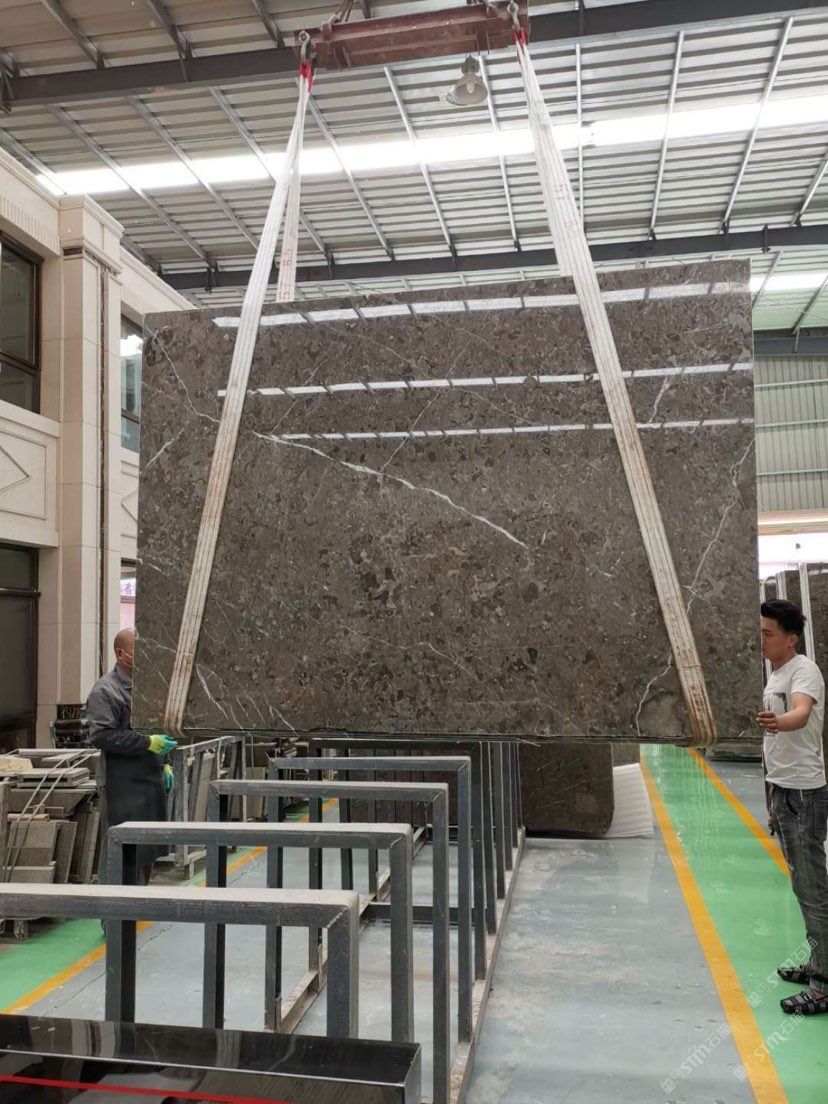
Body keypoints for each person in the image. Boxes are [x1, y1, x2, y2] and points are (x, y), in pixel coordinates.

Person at [757, 598, 828, 1015]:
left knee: (814, 892)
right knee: (804, 887)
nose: (761, 640)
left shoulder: (804, 671)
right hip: (784, 792)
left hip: (804, 795)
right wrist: (771, 797)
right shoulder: (776, 674)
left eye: (768, 634)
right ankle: (820, 963)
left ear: (791, 638)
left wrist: (777, 722)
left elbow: (800, 713)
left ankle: (823, 984)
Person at [86, 627, 177, 885]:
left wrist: (165, 763)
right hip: (122, 787)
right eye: (139, 651)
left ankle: (138, 903)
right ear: (120, 653)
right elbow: (102, 736)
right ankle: (115, 909)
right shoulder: (106, 691)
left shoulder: (148, 688)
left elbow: (157, 728)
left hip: (149, 780)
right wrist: (148, 743)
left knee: (146, 850)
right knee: (122, 853)